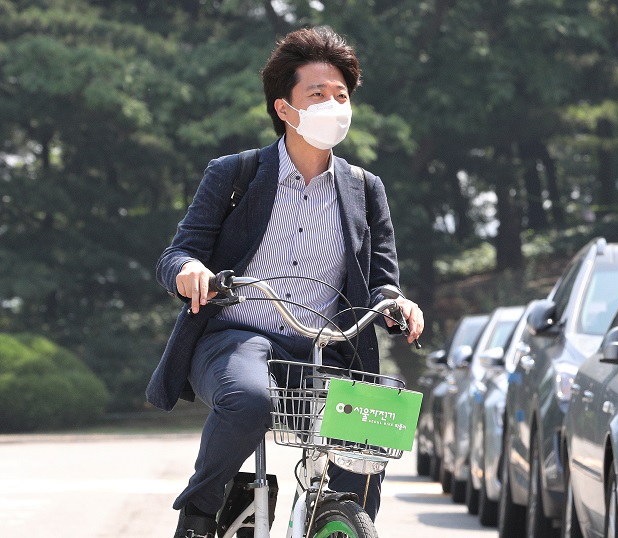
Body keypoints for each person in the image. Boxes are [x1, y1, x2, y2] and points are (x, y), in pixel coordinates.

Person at [145, 26, 424, 538]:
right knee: (251, 400)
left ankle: (336, 521)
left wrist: (398, 304)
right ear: (285, 108)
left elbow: (383, 280)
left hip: (326, 347)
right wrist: (189, 270)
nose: (333, 105)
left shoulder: (365, 189)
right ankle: (199, 515)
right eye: (317, 94)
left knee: (370, 431)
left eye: (341, 95)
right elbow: (176, 254)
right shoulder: (235, 174)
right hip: (235, 340)